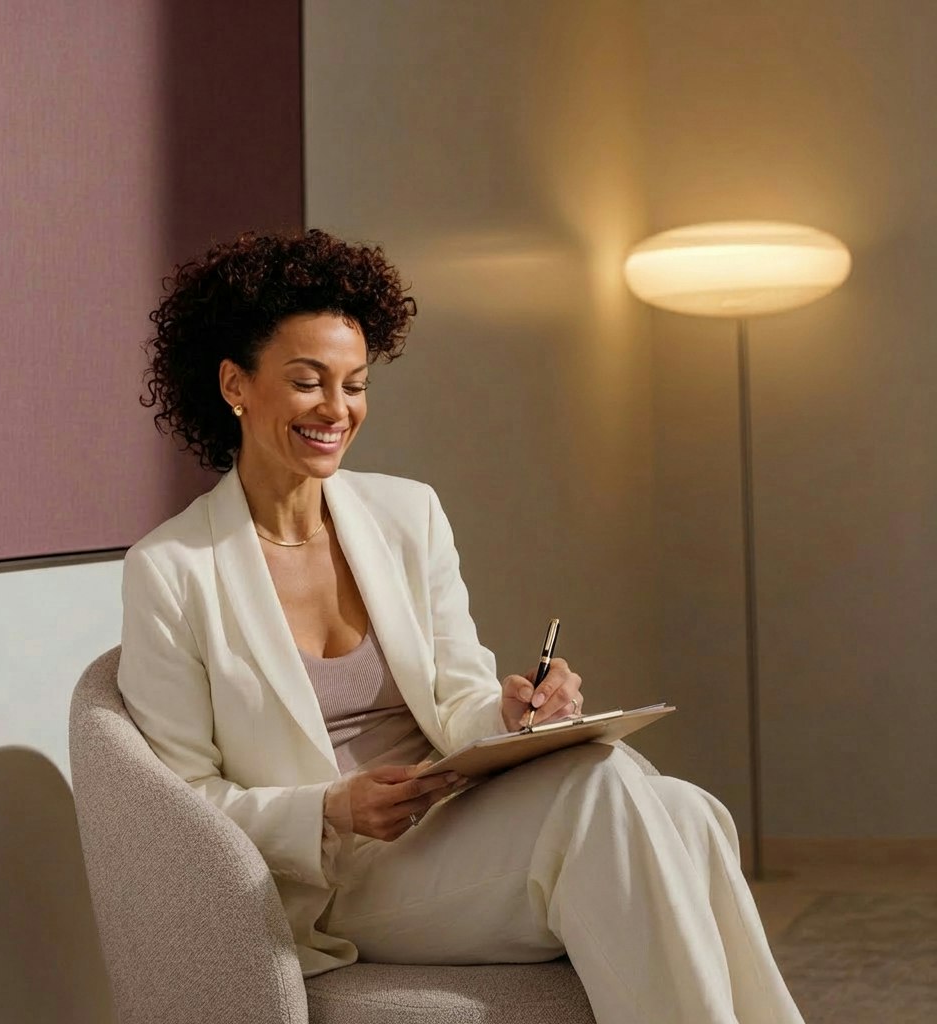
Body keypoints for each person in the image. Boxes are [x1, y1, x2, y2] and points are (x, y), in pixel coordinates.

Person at [118, 229, 804, 1024]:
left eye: (355, 384)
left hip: (455, 825)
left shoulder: (407, 515)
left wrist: (513, 714)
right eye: (308, 382)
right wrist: (331, 809)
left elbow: (458, 697)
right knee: (621, 795)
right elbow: (182, 806)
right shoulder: (171, 570)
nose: (337, 409)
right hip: (338, 880)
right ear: (235, 384)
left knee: (683, 811)